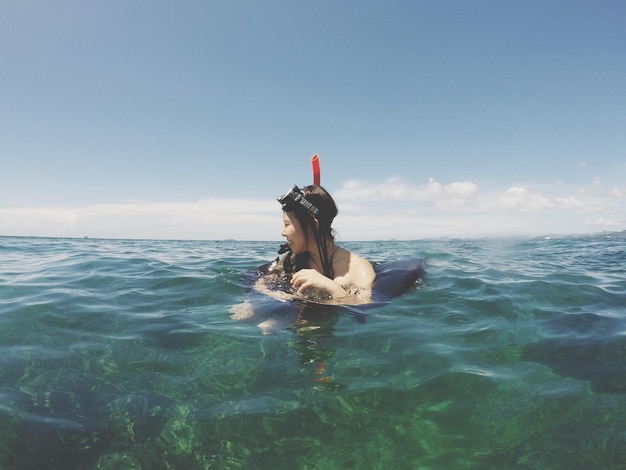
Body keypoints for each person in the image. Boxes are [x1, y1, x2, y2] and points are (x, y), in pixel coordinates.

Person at [269, 184, 375, 304]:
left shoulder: (359, 269)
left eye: (287, 224)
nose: (283, 232)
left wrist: (333, 289)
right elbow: (261, 285)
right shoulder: (290, 261)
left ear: (313, 226)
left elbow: (364, 309)